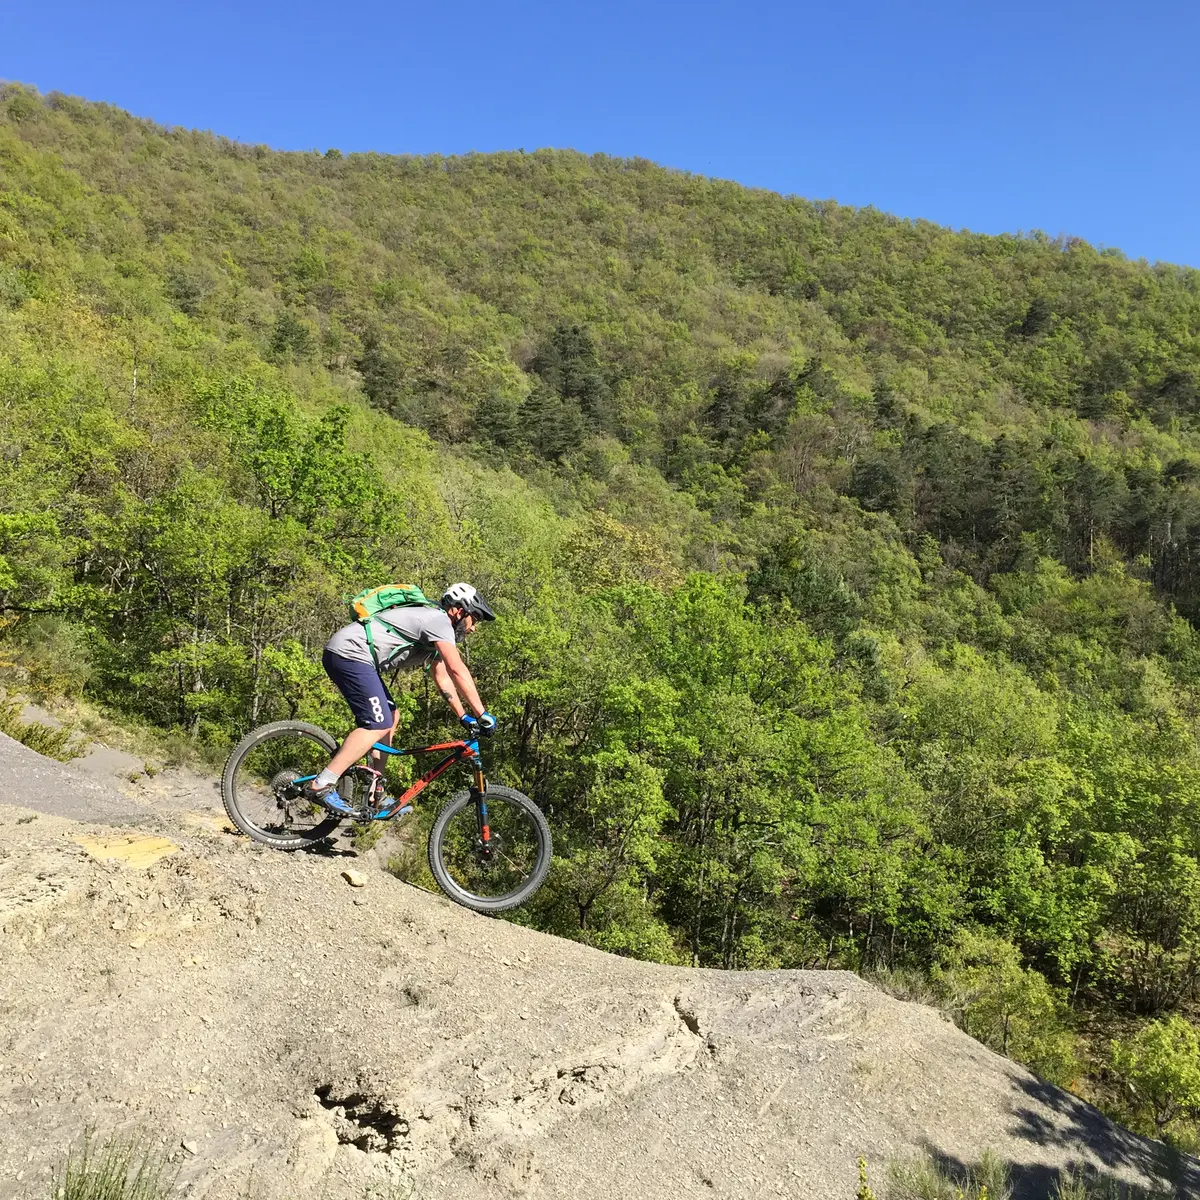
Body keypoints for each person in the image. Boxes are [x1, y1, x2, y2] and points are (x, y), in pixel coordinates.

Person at [304, 582, 498, 814]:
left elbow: (442, 676)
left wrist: (464, 716)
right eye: (474, 619)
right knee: (377, 723)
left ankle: (374, 794)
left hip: (354, 658)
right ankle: (321, 783)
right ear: (459, 611)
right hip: (349, 654)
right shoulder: (439, 621)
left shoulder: (437, 628)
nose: (473, 628)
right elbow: (457, 669)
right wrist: (482, 713)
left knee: (391, 718)